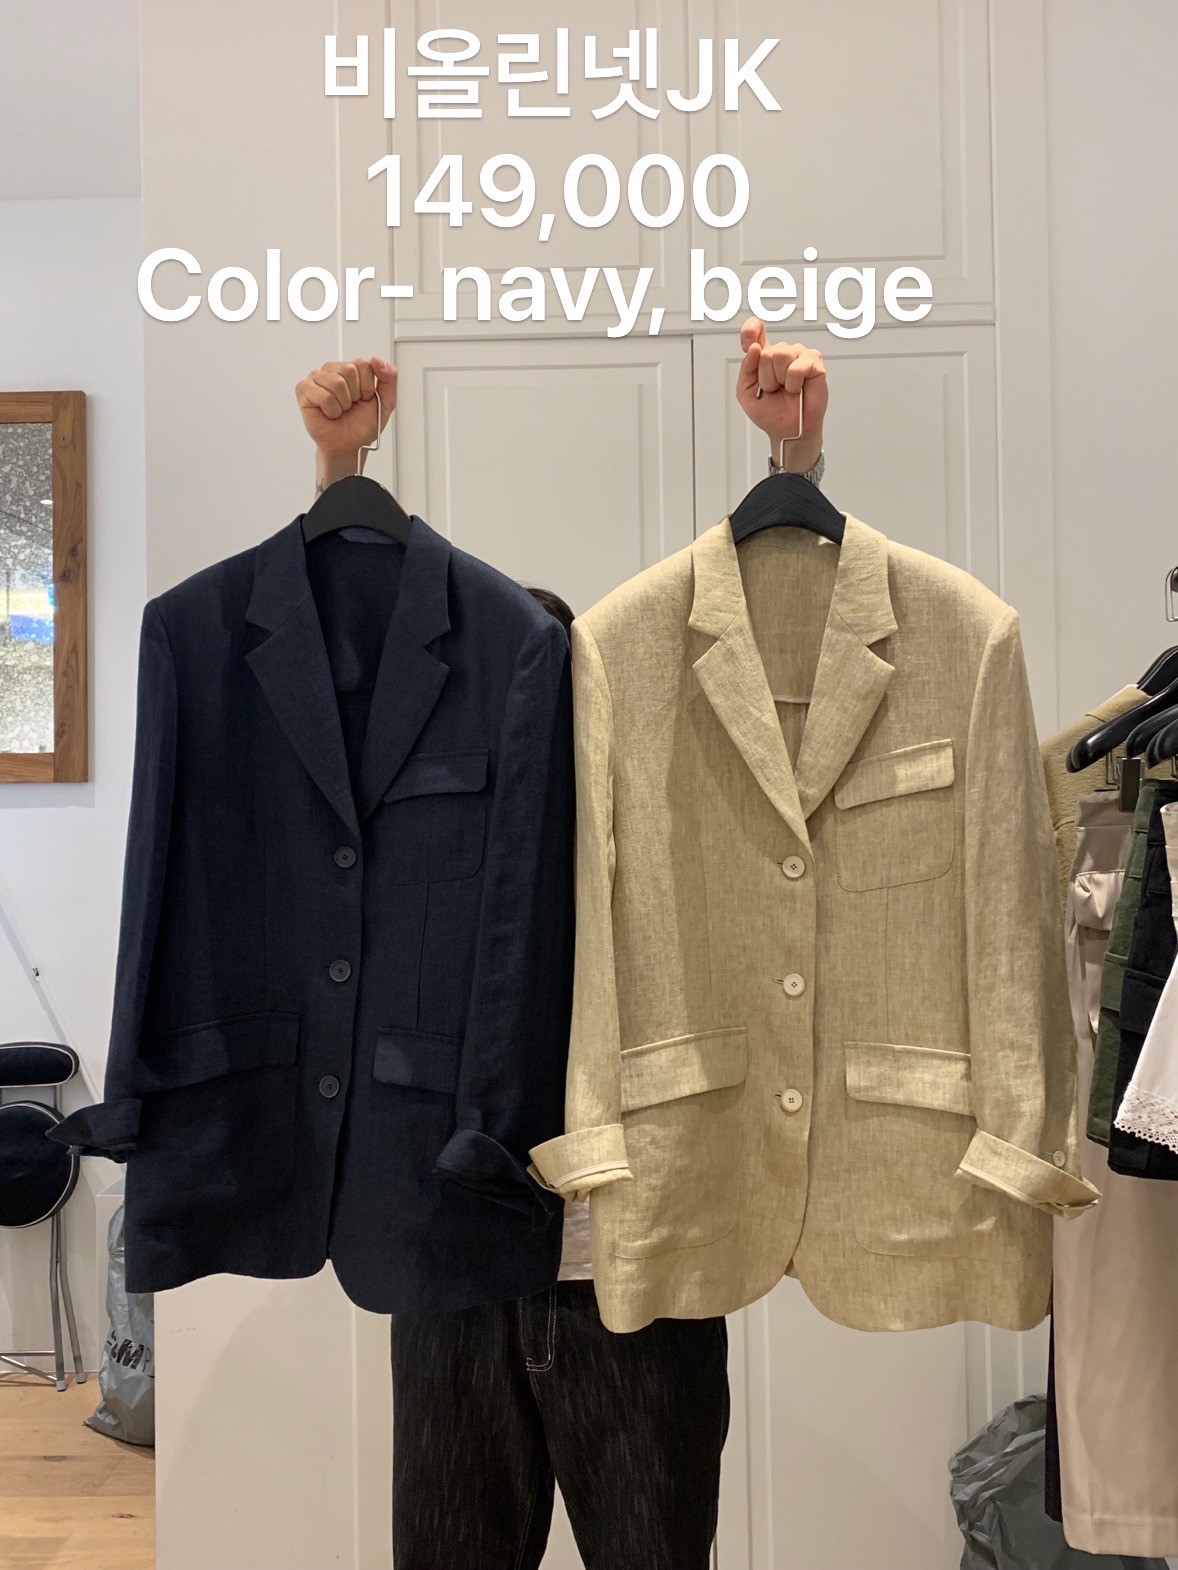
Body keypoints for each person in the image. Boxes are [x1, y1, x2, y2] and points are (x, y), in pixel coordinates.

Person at [294, 323, 827, 1570]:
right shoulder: (410, 857)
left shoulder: (661, 834)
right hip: (451, 1279)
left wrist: (794, 464)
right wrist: (339, 476)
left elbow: (781, 651)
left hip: (640, 1283)